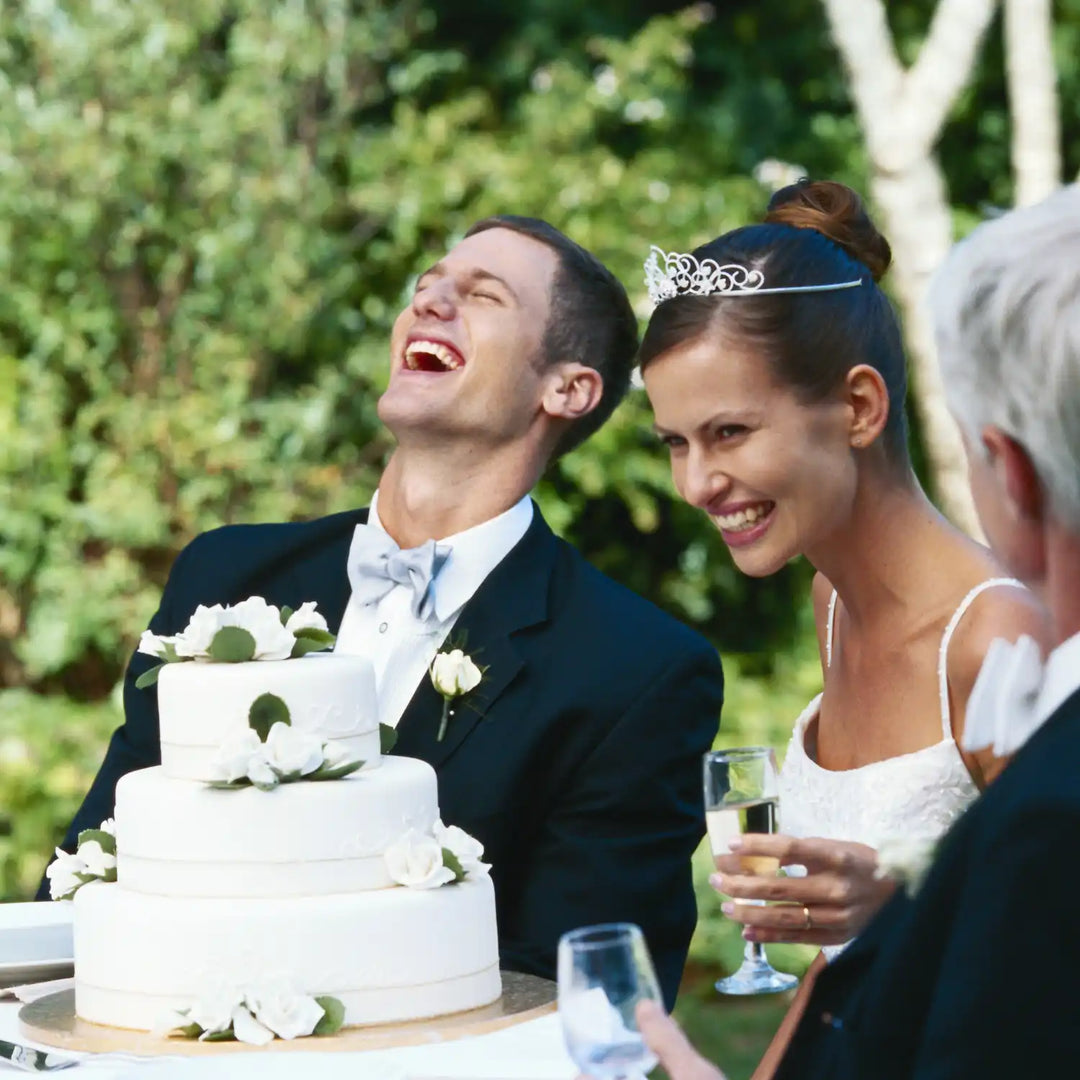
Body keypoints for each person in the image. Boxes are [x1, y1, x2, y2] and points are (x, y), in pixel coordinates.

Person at [45, 216, 724, 1006]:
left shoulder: (635, 671)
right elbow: (94, 863)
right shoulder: (226, 575)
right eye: (427, 285)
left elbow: (576, 991)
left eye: (482, 295)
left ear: (567, 388)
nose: (430, 301)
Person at [637, 183, 1080, 1078]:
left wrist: (896, 911)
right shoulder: (832, 602)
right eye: (675, 443)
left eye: (728, 432)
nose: (696, 483)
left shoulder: (997, 641)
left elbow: (1038, 977)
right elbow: (840, 976)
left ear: (859, 408)